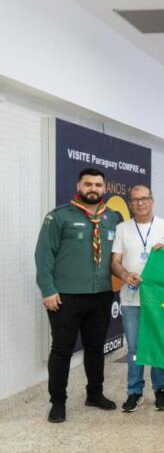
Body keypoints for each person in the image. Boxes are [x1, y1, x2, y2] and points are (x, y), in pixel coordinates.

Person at [35, 167, 121, 423]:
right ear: (79, 186)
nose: (93, 189)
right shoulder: (59, 217)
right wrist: (48, 290)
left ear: (104, 188)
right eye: (88, 184)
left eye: (98, 185)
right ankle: (57, 402)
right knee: (62, 350)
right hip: (65, 297)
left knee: (96, 348)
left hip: (101, 294)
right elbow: (43, 256)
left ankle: (95, 394)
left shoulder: (112, 219)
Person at [110, 185, 164, 413]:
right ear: (130, 203)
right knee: (135, 348)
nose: (140, 203)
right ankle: (135, 392)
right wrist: (124, 275)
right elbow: (115, 261)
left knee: (159, 344)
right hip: (132, 298)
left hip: (159, 299)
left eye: (144, 199)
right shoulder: (122, 228)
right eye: (135, 200)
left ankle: (161, 390)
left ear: (152, 200)